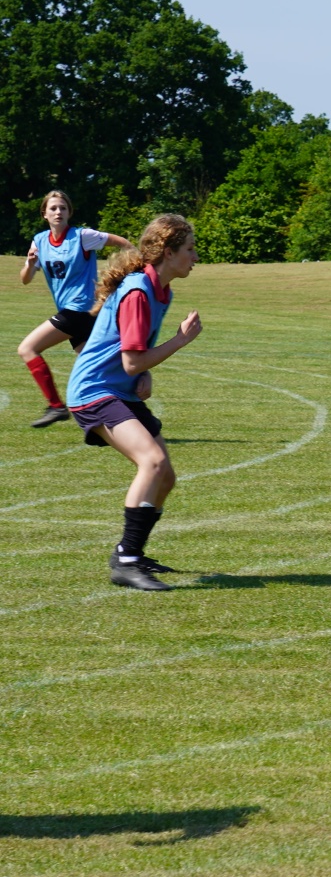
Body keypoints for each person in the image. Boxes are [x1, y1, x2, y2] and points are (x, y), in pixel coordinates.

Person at [64, 214, 204, 592]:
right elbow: (131, 359)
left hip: (117, 389)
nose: (195, 257)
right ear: (169, 252)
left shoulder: (161, 290)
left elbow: (134, 358)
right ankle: (126, 561)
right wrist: (179, 341)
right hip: (94, 390)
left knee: (167, 477)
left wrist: (144, 374)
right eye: (189, 250)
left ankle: (131, 553)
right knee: (152, 462)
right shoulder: (140, 292)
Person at [16, 190, 130, 427]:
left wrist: (132, 267)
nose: (58, 212)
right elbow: (25, 279)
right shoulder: (39, 241)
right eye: (53, 208)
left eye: (63, 208)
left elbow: (122, 243)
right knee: (97, 369)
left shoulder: (82, 236)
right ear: (44, 214)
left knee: (27, 348)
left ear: (69, 212)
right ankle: (130, 407)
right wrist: (29, 262)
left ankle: (56, 406)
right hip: (76, 314)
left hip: (79, 310)